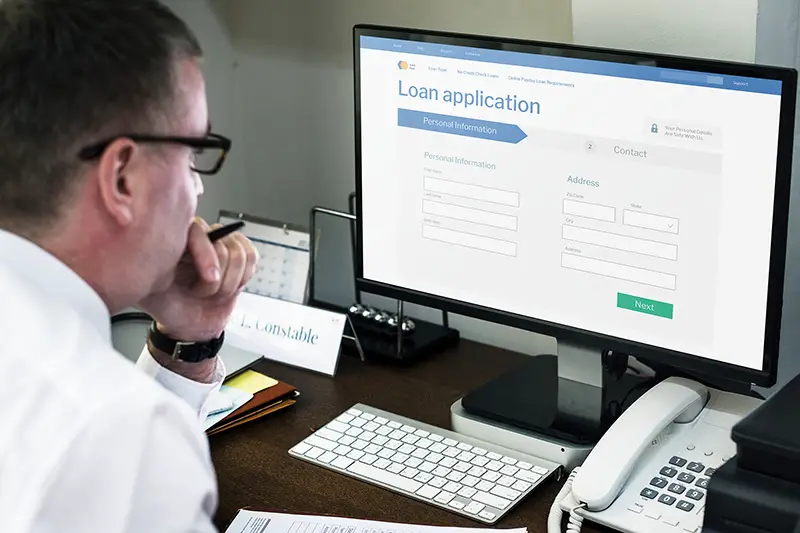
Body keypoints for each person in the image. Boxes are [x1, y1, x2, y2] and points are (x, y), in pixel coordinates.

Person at [0, 1, 259, 531]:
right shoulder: (120, 433)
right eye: (193, 154)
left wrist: (186, 343)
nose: (198, 188)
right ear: (122, 178)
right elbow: (115, 447)